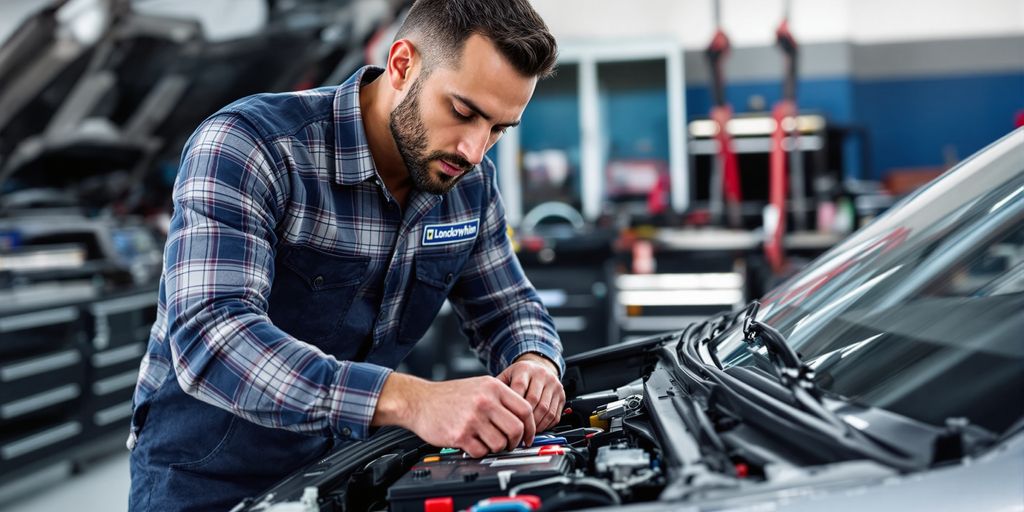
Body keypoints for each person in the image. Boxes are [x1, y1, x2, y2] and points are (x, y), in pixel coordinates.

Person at [127, 0, 565, 509]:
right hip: (208, 482)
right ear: (402, 65)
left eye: (497, 129)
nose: (473, 150)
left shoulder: (469, 185)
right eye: (463, 112)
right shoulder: (252, 146)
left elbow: (509, 305)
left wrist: (535, 360)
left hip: (347, 474)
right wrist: (410, 399)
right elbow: (211, 336)